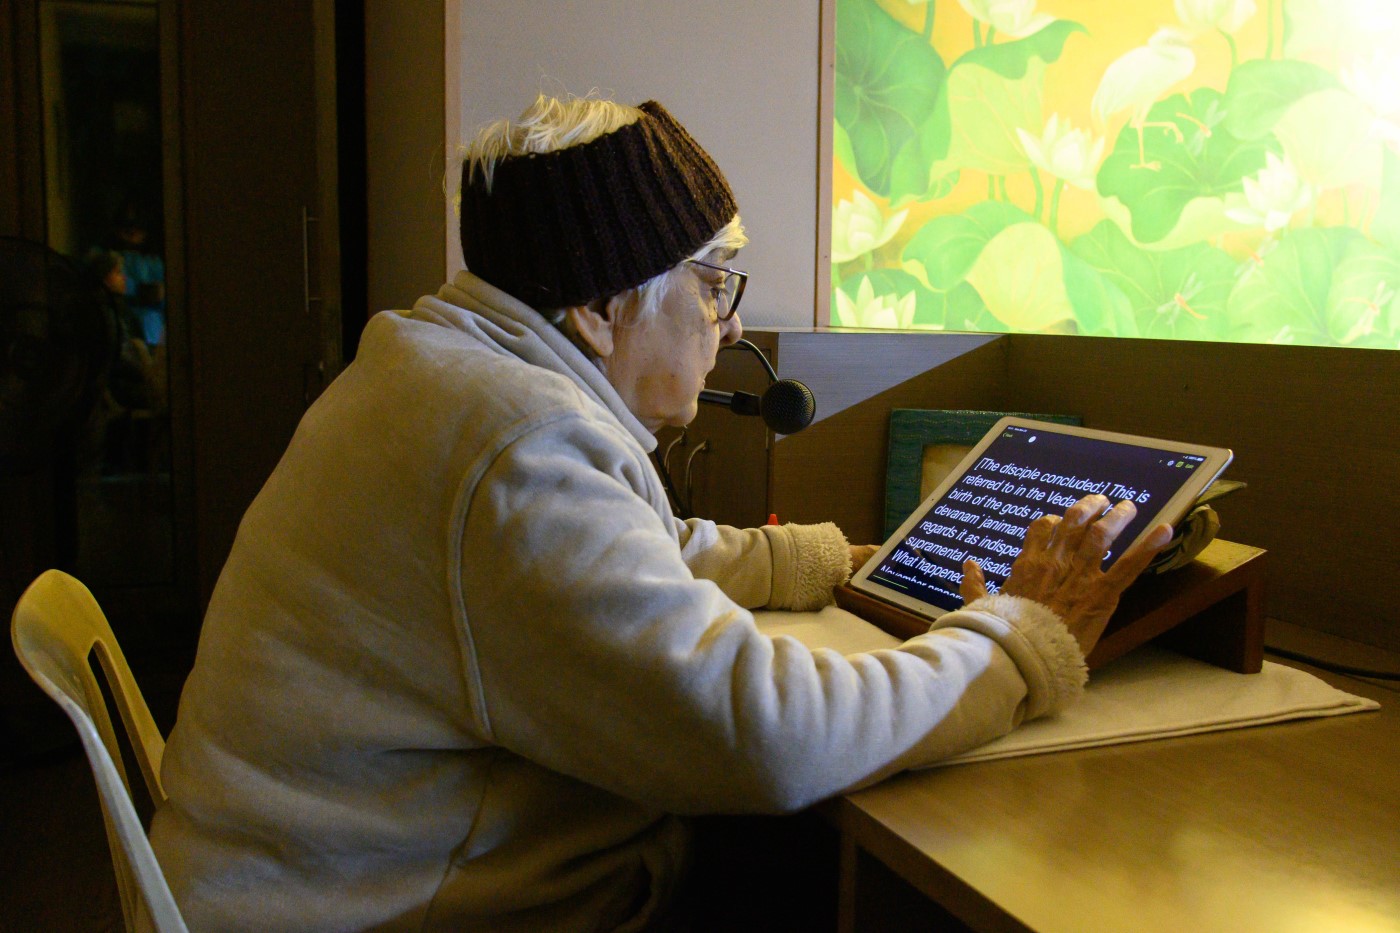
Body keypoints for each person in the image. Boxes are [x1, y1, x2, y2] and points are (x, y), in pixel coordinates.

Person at [148, 95, 1171, 932]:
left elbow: (616, 550)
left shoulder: (437, 377)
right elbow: (767, 736)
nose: (730, 322)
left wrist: (815, 561)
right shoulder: (516, 446)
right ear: (600, 309)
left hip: (312, 883)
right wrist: (1022, 639)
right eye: (713, 284)